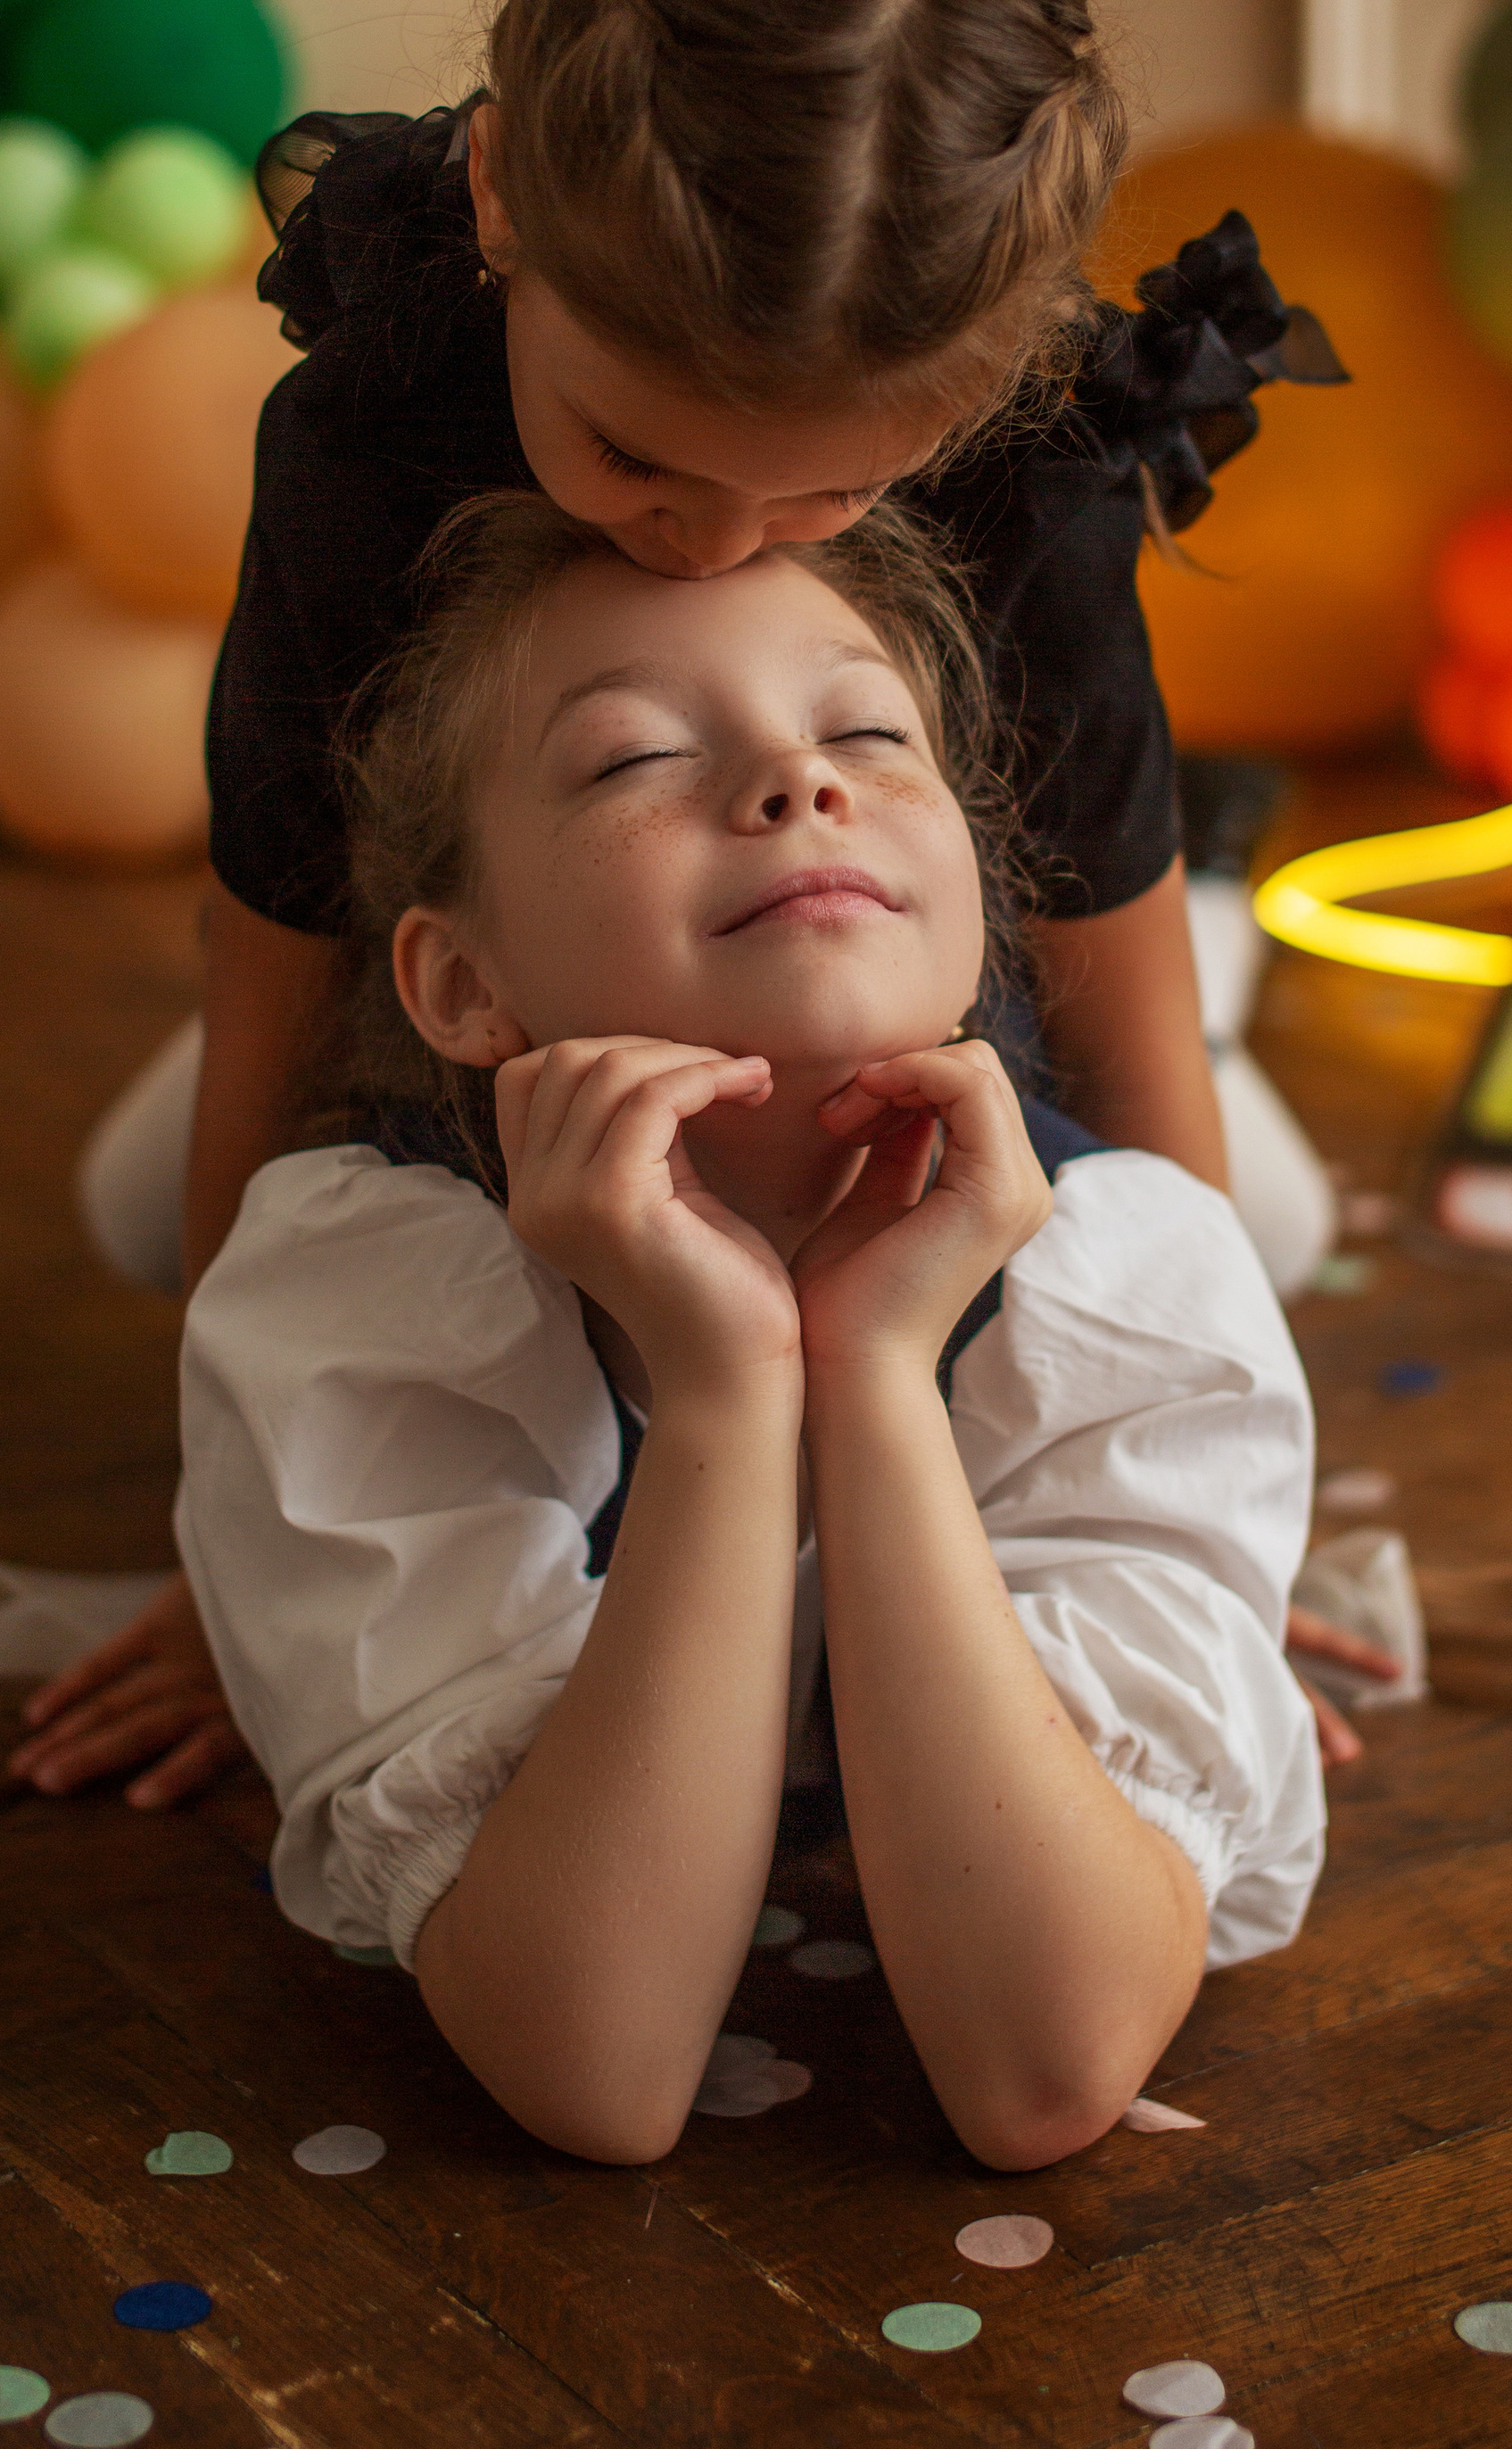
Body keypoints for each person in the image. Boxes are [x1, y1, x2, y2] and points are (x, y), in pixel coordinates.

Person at [11, 0, 1357, 1815]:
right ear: (494, 203)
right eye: (631, 454)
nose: (713, 538)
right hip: (530, 982)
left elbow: (1105, 947)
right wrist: (242, 1548)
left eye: (824, 498)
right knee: (156, 1217)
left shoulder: (1034, 476)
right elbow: (281, 920)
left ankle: (1245, 943)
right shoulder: (373, 428)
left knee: (1267, 1224)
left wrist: (1210, 1526)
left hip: (907, 997)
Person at [176, 495, 1326, 2167]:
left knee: (1273, 1208)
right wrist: (724, 1391)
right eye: (631, 757)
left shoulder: (1128, 1273)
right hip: (429, 1131)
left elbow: (1045, 2072)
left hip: (1089, 1118)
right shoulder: (366, 1300)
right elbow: (598, 2069)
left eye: (866, 730)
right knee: (125, 1196)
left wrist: (871, 1366)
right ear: (462, 986)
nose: (802, 782)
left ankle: (1206, 922)